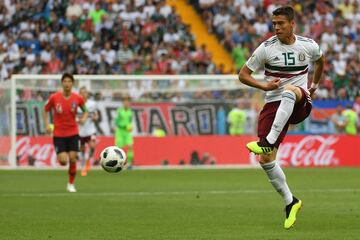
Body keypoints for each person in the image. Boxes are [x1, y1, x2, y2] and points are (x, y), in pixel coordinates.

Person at [238, 6, 325, 229]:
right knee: (266, 160)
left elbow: (320, 61)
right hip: (272, 104)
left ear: (292, 23)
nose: (276, 27)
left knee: (290, 91)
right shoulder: (266, 49)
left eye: (281, 23)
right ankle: (290, 201)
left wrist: (313, 85)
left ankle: (267, 142)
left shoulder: (308, 45)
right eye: (274, 23)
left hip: (299, 100)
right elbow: (243, 74)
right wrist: (263, 85)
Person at [43, 73, 88, 193]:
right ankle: (64, 160)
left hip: (73, 132)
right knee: (63, 161)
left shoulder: (77, 98)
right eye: (65, 81)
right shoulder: (54, 97)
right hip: (58, 134)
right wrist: (47, 125)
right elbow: (45, 110)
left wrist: (84, 118)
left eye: (69, 81)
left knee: (73, 158)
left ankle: (71, 184)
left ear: (72, 83)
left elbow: (85, 110)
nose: (67, 83)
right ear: (62, 83)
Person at [78, 86, 99, 176]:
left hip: (91, 130)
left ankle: (88, 160)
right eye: (81, 93)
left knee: (92, 146)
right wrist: (79, 120)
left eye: (85, 92)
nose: (83, 94)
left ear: (87, 94)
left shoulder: (92, 104)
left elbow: (96, 115)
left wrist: (95, 118)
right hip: (80, 131)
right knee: (82, 150)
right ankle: (83, 164)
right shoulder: (76, 105)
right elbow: (73, 117)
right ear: (79, 94)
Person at [114, 97, 134, 168]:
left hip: (127, 132)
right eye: (125, 102)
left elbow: (130, 121)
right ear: (123, 103)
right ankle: (118, 163)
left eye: (128, 102)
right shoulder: (119, 111)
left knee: (130, 146)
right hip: (120, 131)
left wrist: (130, 127)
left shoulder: (130, 112)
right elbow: (116, 121)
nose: (126, 103)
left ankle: (129, 163)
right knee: (118, 149)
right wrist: (124, 126)